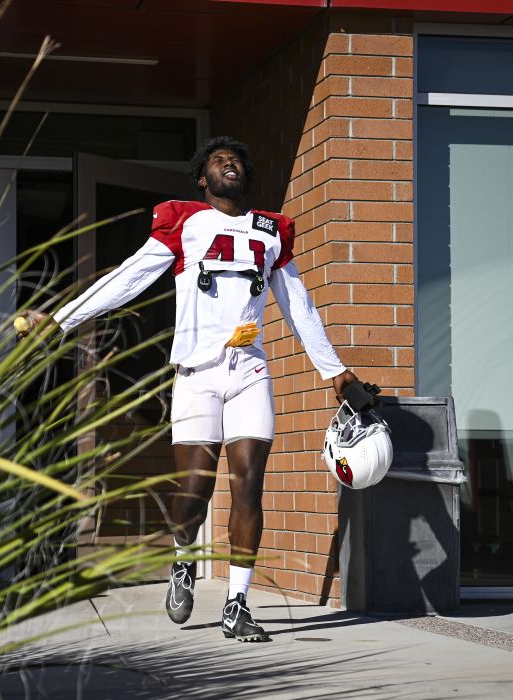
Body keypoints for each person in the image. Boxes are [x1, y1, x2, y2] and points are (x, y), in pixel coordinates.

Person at [18, 136, 364, 642]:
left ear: (247, 174)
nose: (230, 163)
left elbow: (299, 304)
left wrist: (335, 372)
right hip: (196, 375)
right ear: (202, 179)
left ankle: (237, 604)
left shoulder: (271, 230)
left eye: (237, 160)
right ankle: (183, 558)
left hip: (248, 371)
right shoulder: (185, 222)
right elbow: (129, 277)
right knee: (194, 493)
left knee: (248, 484)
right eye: (217, 161)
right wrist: (63, 320)